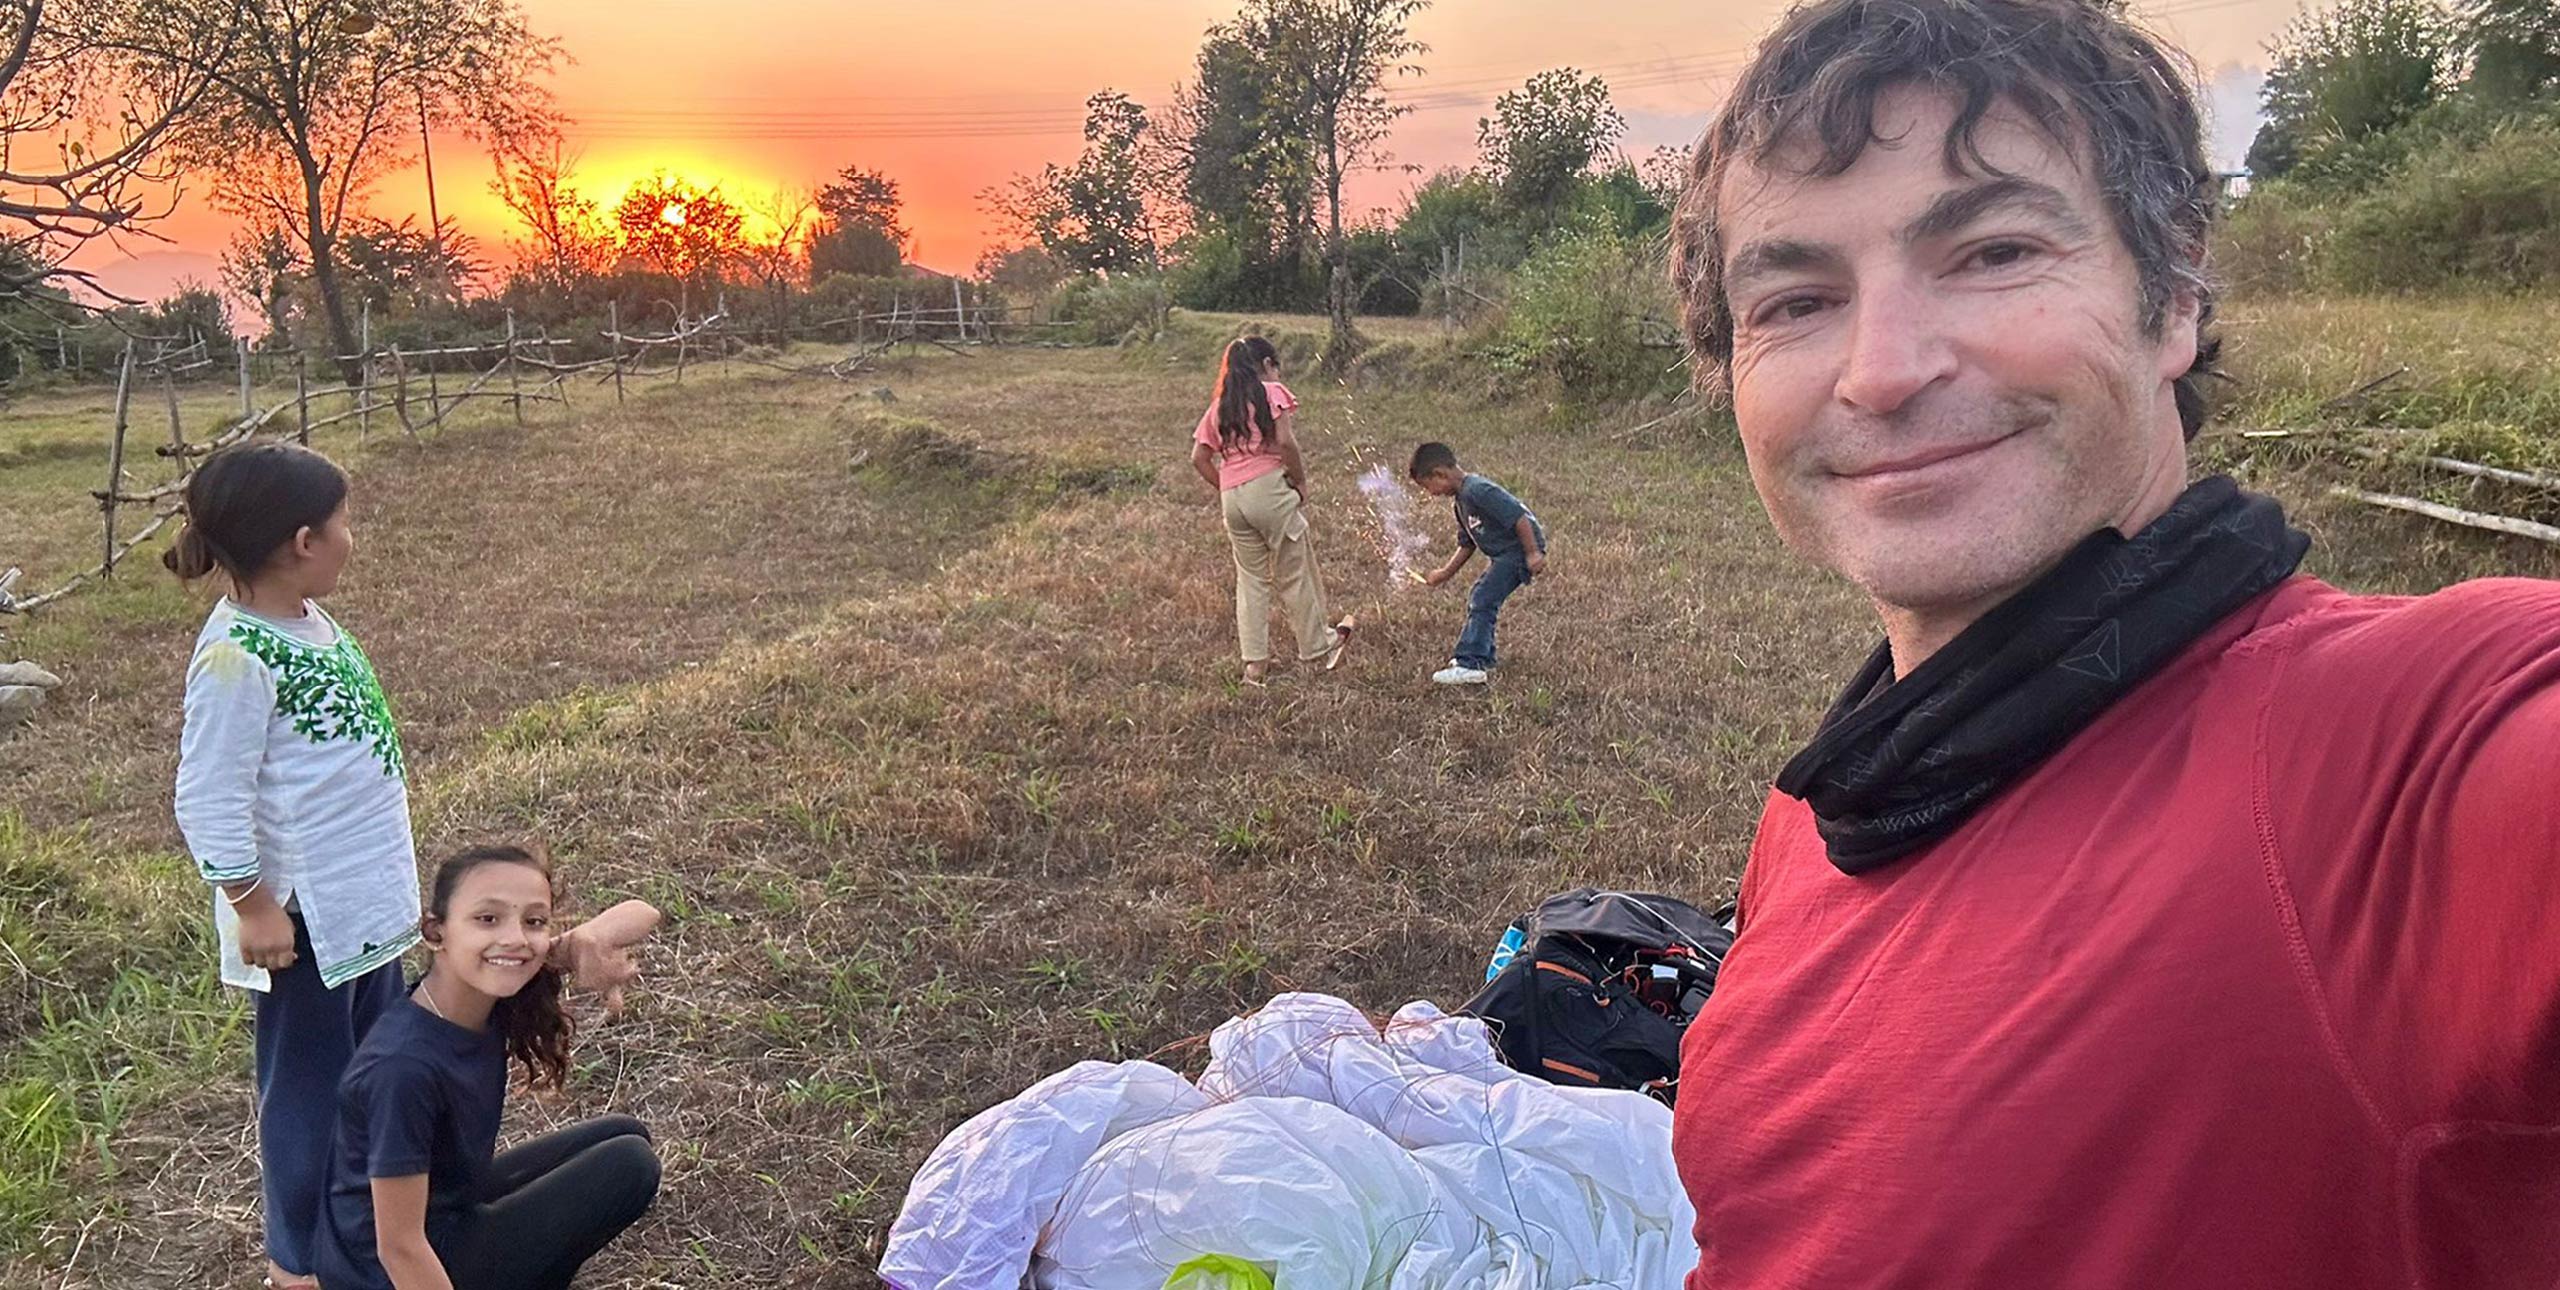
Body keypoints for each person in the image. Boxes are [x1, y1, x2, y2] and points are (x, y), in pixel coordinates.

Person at [1664, 1, 2559, 1287]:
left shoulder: (2396, 759)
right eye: (1798, 299)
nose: (1881, 369)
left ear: (2175, 294)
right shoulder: (1824, 814)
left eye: (1993, 250)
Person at [166, 442, 647, 1290]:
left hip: (366, 915)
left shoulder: (307, 622)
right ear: (303, 540)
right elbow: (205, 799)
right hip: (305, 929)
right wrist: (252, 905)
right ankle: (300, 1266)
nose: (355, 537)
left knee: (375, 1081)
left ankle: (396, 1219)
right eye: (346, 523)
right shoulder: (234, 658)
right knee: (310, 1099)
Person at [311, 844, 664, 1290]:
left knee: (625, 1133)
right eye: (487, 919)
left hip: (446, 1206)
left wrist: (585, 942)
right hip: (391, 1272)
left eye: (533, 921)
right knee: (628, 1163)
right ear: (436, 932)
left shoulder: (483, 982)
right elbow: (398, 1245)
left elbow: (645, 912)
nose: (515, 938)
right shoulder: (402, 1068)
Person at [1189, 335, 1353, 687]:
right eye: (1275, 367)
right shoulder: (1271, 392)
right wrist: (1300, 482)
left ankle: (1254, 664)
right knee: (1295, 570)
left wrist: (1228, 487)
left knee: (1250, 580)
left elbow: (1199, 458)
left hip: (1232, 497)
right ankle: (1318, 646)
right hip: (1270, 489)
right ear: (1266, 365)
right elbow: (1285, 443)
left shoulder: (1219, 407)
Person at [1409, 442, 1546, 686]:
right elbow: (1468, 544)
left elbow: (1519, 517)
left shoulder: (1478, 490)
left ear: (1440, 473)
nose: (1430, 493)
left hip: (1517, 552)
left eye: (1427, 485)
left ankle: (1471, 663)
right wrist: (1445, 573)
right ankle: (1483, 657)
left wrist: (1533, 552)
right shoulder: (1461, 502)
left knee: (1482, 598)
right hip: (1504, 555)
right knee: (1483, 597)